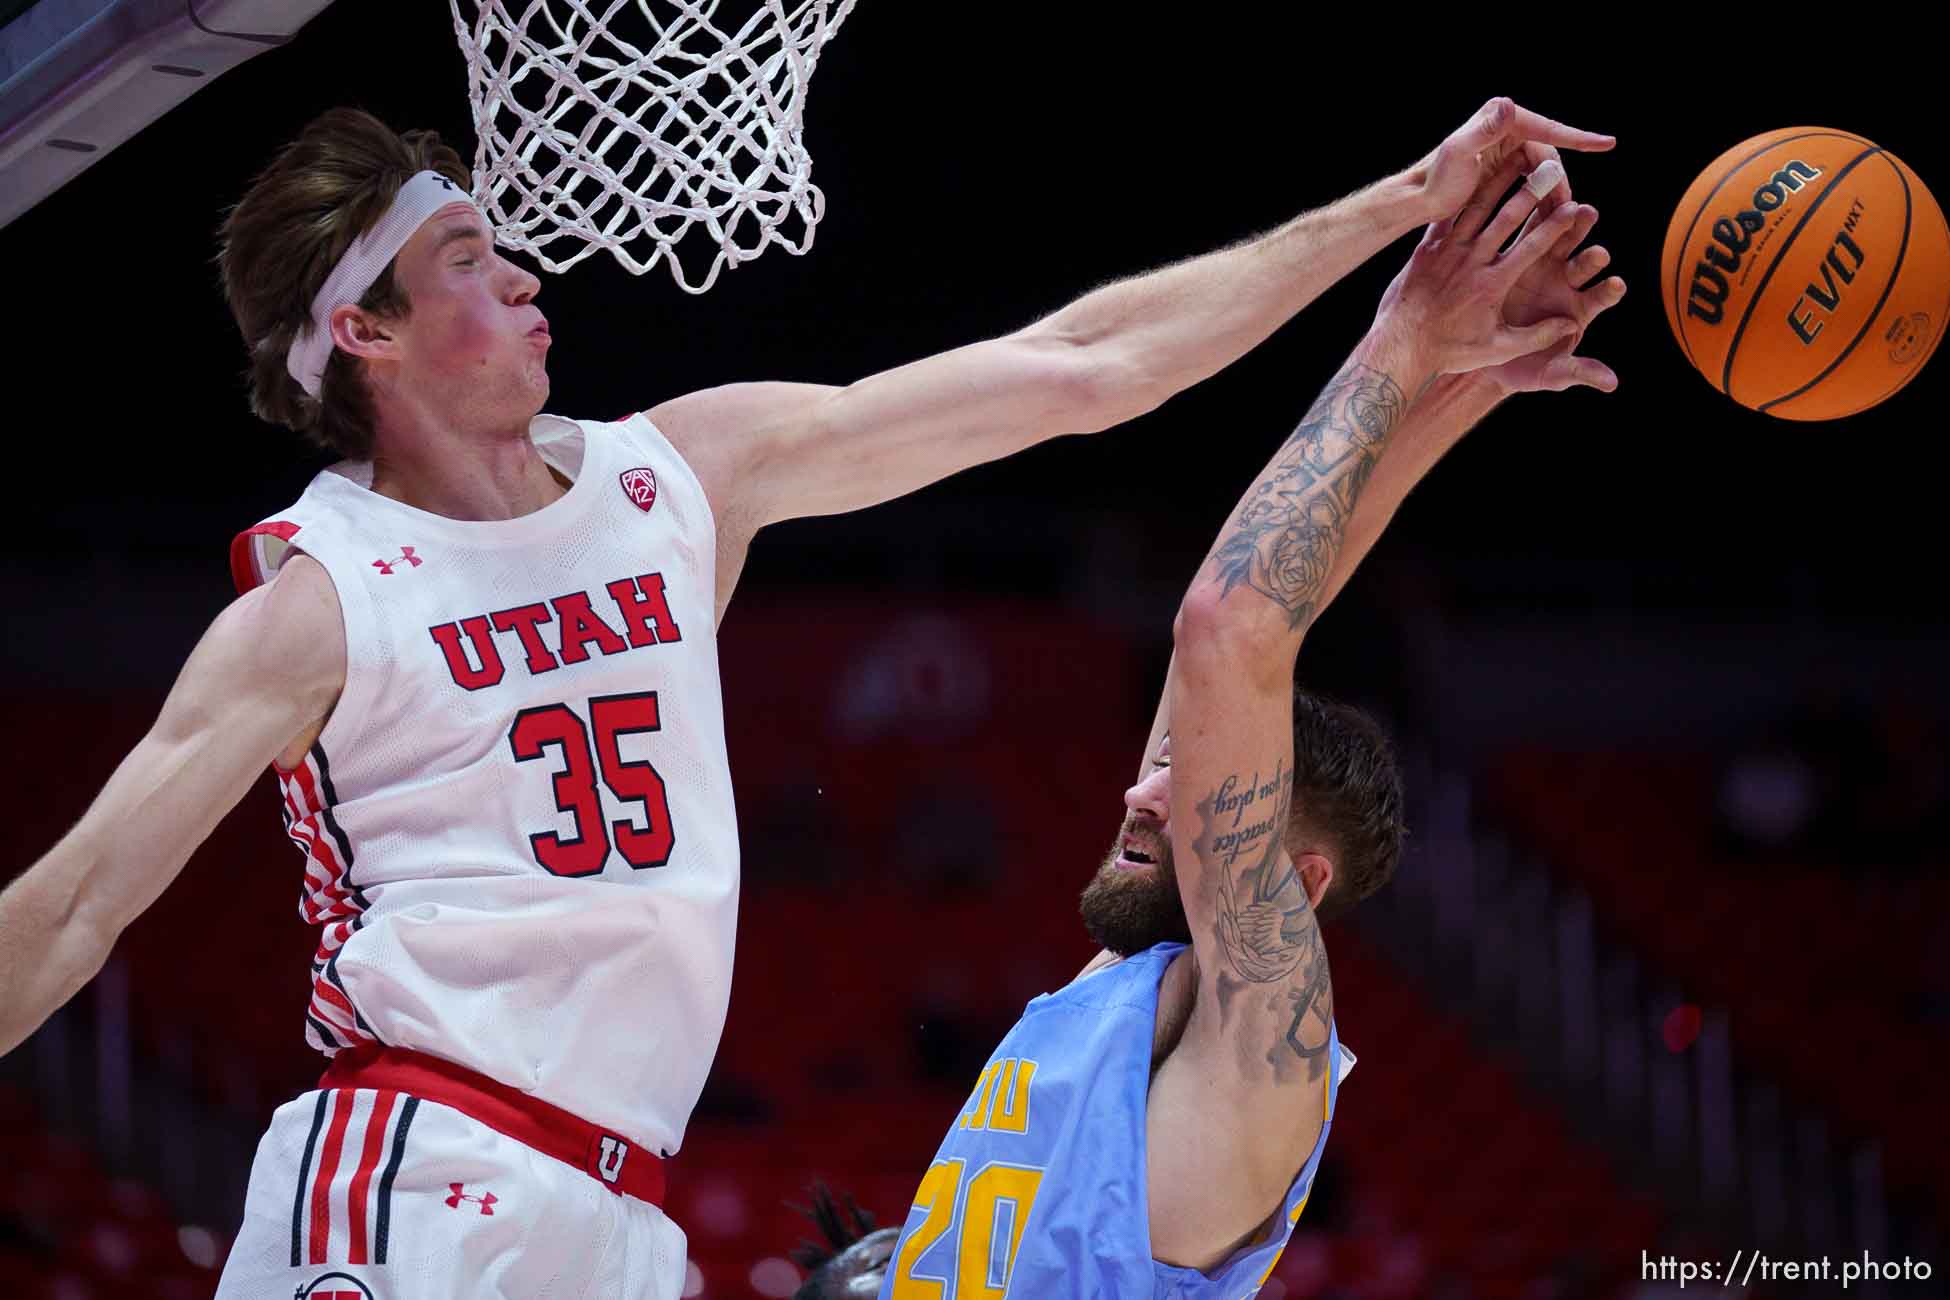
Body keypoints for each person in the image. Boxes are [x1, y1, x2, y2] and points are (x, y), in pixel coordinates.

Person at [0, 98, 1612, 1300]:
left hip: (624, 1213)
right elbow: (72, 913)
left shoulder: (679, 475)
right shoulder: (320, 597)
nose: (527, 274)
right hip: (420, 1158)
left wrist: (1395, 208)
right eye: (469, 261)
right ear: (365, 332)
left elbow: (1085, 369)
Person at [793, 139, 1627, 1300]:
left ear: (1294, 878)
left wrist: (1408, 327)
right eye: (1168, 764)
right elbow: (1284, 593)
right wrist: (1468, 379)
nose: (1143, 786)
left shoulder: (1256, 1045)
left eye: (1192, 785)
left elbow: (1231, 628)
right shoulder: (1139, 961)